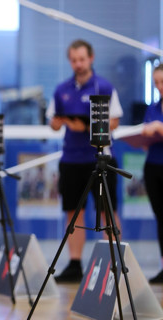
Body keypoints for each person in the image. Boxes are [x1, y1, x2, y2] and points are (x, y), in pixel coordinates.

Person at [46, 39, 123, 283]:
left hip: (100, 158)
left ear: (91, 58)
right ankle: (75, 264)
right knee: (72, 212)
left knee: (107, 213)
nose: (78, 64)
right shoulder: (61, 89)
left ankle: (114, 264)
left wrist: (87, 126)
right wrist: (59, 122)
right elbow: (52, 121)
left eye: (82, 59)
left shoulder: (105, 87)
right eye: (74, 60)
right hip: (71, 159)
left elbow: (114, 123)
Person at [141, 63, 163, 284]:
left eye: (162, 82)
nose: (159, 87)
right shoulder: (153, 107)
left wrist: (158, 127)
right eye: (156, 83)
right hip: (153, 166)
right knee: (160, 218)